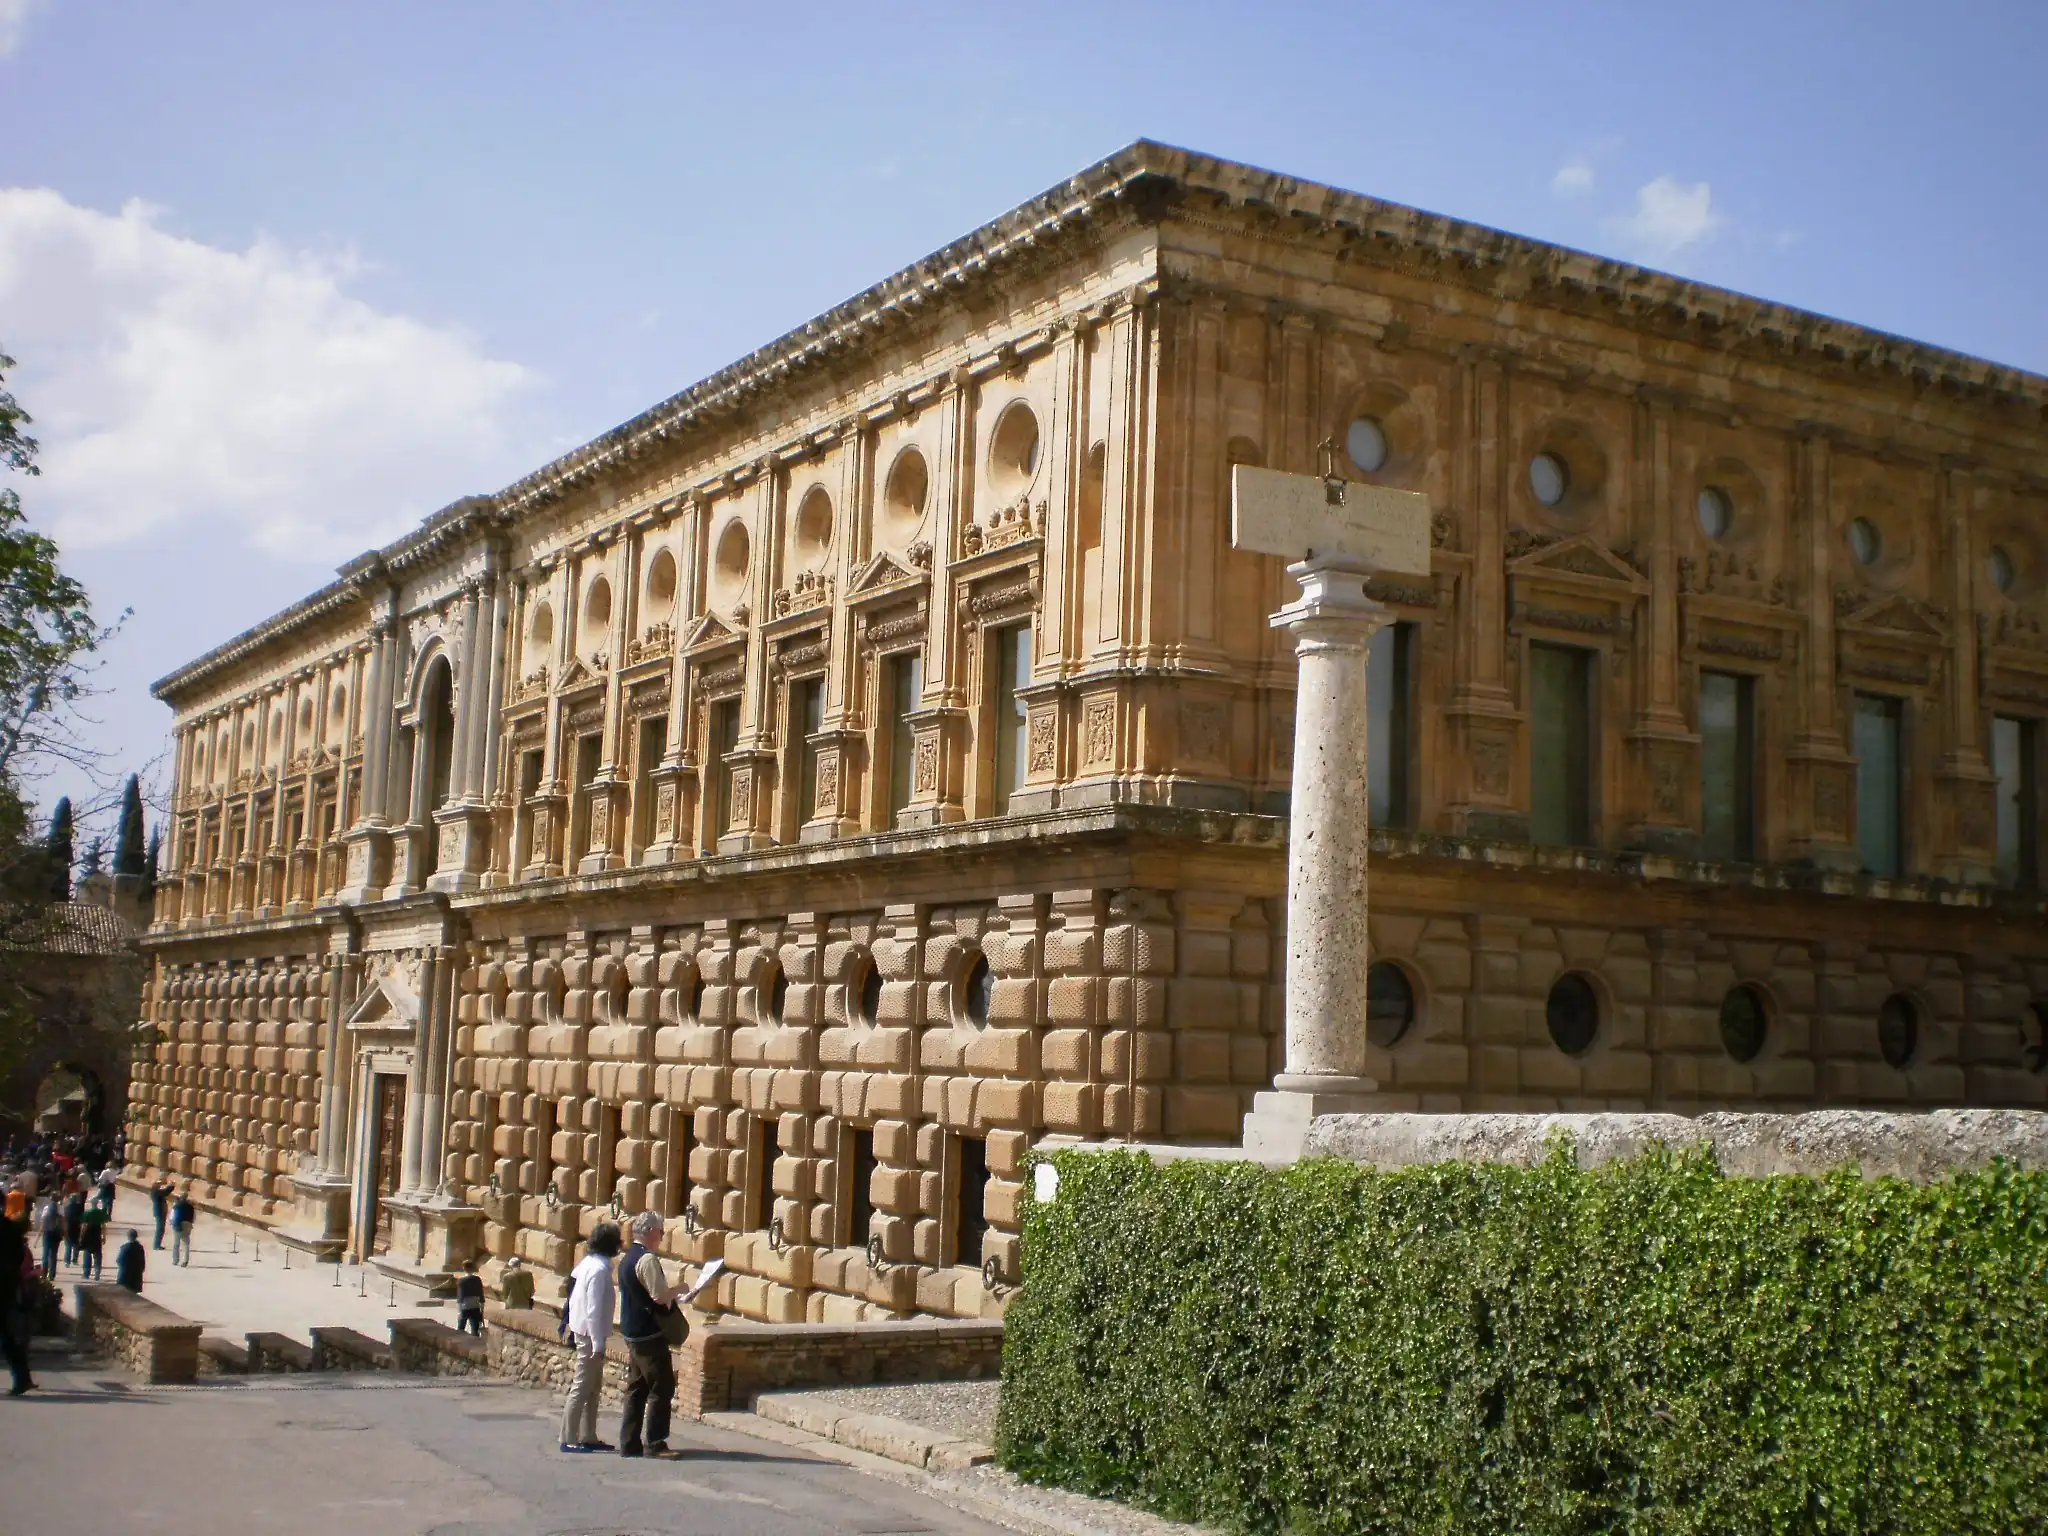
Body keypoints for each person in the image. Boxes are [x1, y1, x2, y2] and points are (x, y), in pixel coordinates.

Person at [616, 1210, 686, 1460]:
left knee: (637, 1387)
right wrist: (681, 1289)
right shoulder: (646, 1260)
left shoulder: (627, 1258)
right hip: (648, 1334)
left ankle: (629, 1441)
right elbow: (658, 1296)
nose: (662, 1235)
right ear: (651, 1232)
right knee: (662, 1386)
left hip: (632, 1332)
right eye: (661, 1231)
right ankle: (655, 1442)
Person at [559, 1223, 619, 1455]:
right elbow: (593, 1309)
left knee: (593, 1387)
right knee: (582, 1387)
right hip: (590, 1334)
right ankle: (568, 1437)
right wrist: (598, 1342)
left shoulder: (586, 1264)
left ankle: (588, 1435)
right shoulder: (599, 1270)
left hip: (584, 1330)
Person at [0, 1205, 32, 1395]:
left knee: (7, 1337)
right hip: (7, 1289)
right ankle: (22, 1378)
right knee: (7, 1337)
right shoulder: (10, 1229)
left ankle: (22, 1379)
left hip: (4, 1288)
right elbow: (19, 1257)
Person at [77, 1199, 107, 1280]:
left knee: (87, 1254)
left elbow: (84, 1226)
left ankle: (86, 1273)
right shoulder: (101, 1213)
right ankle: (97, 1273)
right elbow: (103, 1225)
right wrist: (104, 1236)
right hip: (97, 1234)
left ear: (91, 1204)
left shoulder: (87, 1213)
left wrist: (81, 1236)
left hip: (88, 1235)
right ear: (97, 1203)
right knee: (98, 1254)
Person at [455, 1258, 485, 1336]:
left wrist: (459, 1311)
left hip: (465, 1306)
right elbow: (481, 1295)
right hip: (475, 1306)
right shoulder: (477, 1279)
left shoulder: (461, 1281)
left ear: (463, 1268)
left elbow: (460, 1297)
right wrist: (482, 1310)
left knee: (460, 1330)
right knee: (475, 1330)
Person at [37, 1193, 61, 1279]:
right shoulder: (60, 1208)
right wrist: (65, 1234)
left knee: (45, 1253)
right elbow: (64, 1222)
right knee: (54, 1254)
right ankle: (52, 1275)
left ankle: (44, 1273)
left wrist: (38, 1237)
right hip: (56, 1233)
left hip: (47, 1233)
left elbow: (43, 1223)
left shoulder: (46, 1208)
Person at [169, 1188, 195, 1266]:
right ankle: (185, 1261)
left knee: (176, 1244)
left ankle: (175, 1260)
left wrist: (171, 1224)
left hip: (178, 1224)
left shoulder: (176, 1206)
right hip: (187, 1224)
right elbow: (193, 1218)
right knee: (186, 1243)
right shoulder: (191, 1207)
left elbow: (172, 1217)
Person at [62, 1188, 85, 1267]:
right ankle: (74, 1260)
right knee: (76, 1244)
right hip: (76, 1227)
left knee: (68, 1244)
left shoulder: (66, 1207)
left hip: (68, 1227)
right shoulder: (80, 1208)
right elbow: (82, 1219)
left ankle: (67, 1261)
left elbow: (64, 1218)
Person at [150, 1179, 172, 1250]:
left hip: (160, 1212)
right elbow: (165, 1192)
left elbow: (165, 1192)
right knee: (160, 1229)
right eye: (158, 1184)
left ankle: (157, 1244)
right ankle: (156, 1245)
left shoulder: (156, 1191)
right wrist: (171, 1186)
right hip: (159, 1212)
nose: (160, 1185)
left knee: (160, 1229)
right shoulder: (156, 1192)